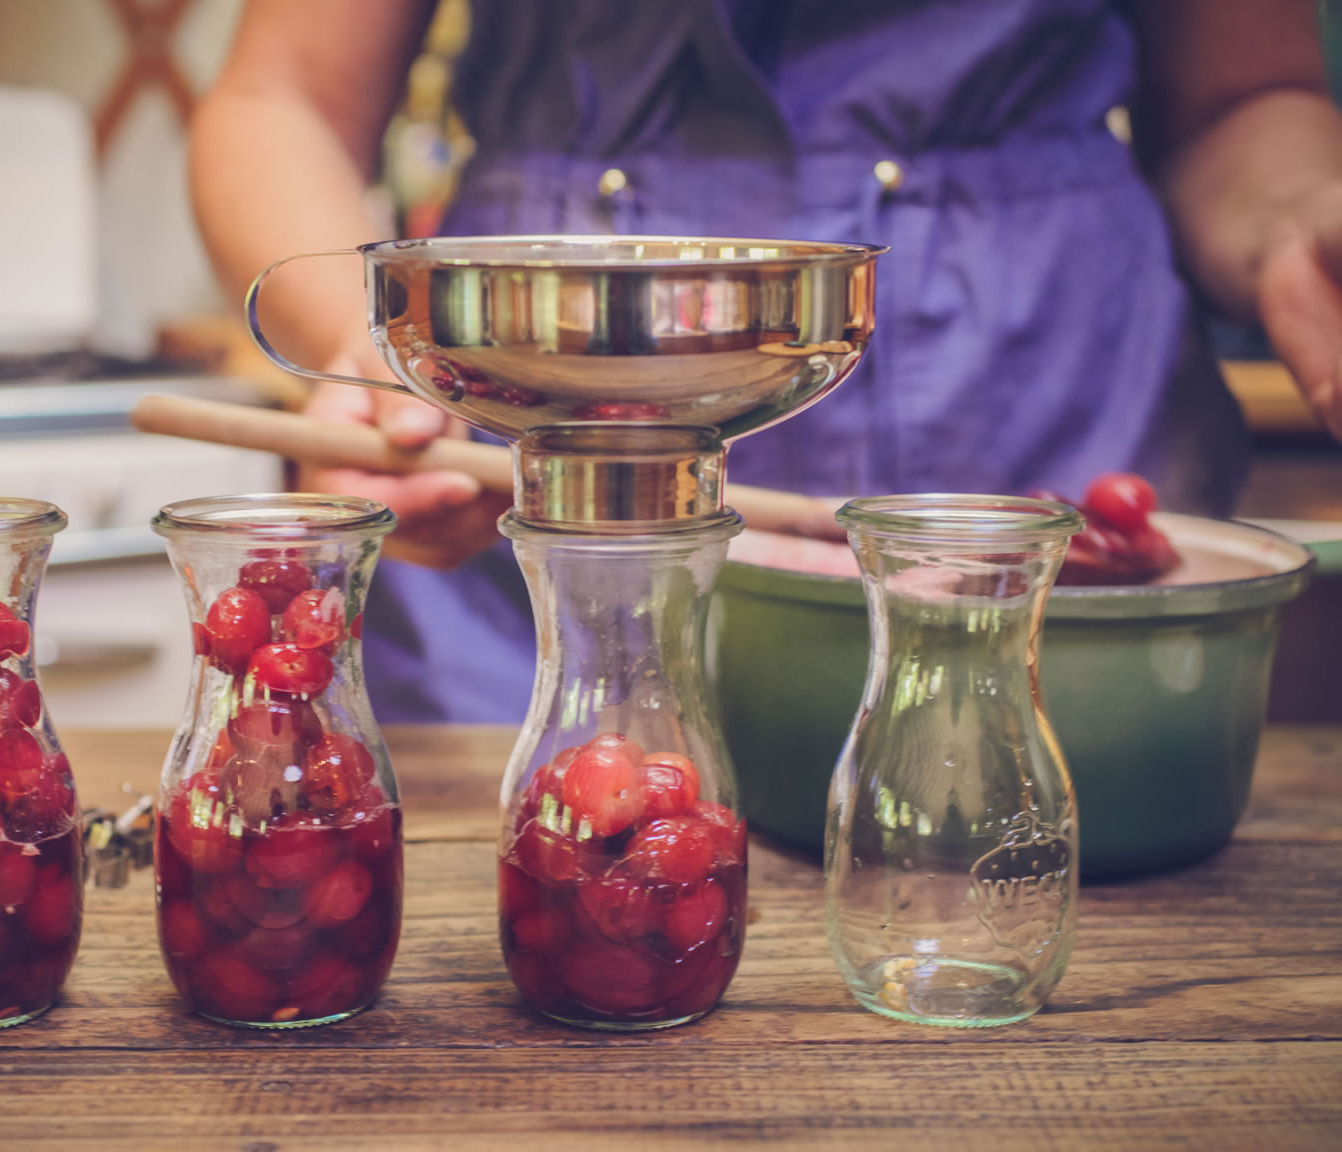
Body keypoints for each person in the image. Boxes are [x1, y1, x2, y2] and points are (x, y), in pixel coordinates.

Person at [189, 0, 1342, 723]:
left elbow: (1245, 96)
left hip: (1046, 430)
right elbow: (285, 90)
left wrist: (1304, 222)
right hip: (528, 532)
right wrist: (363, 354)